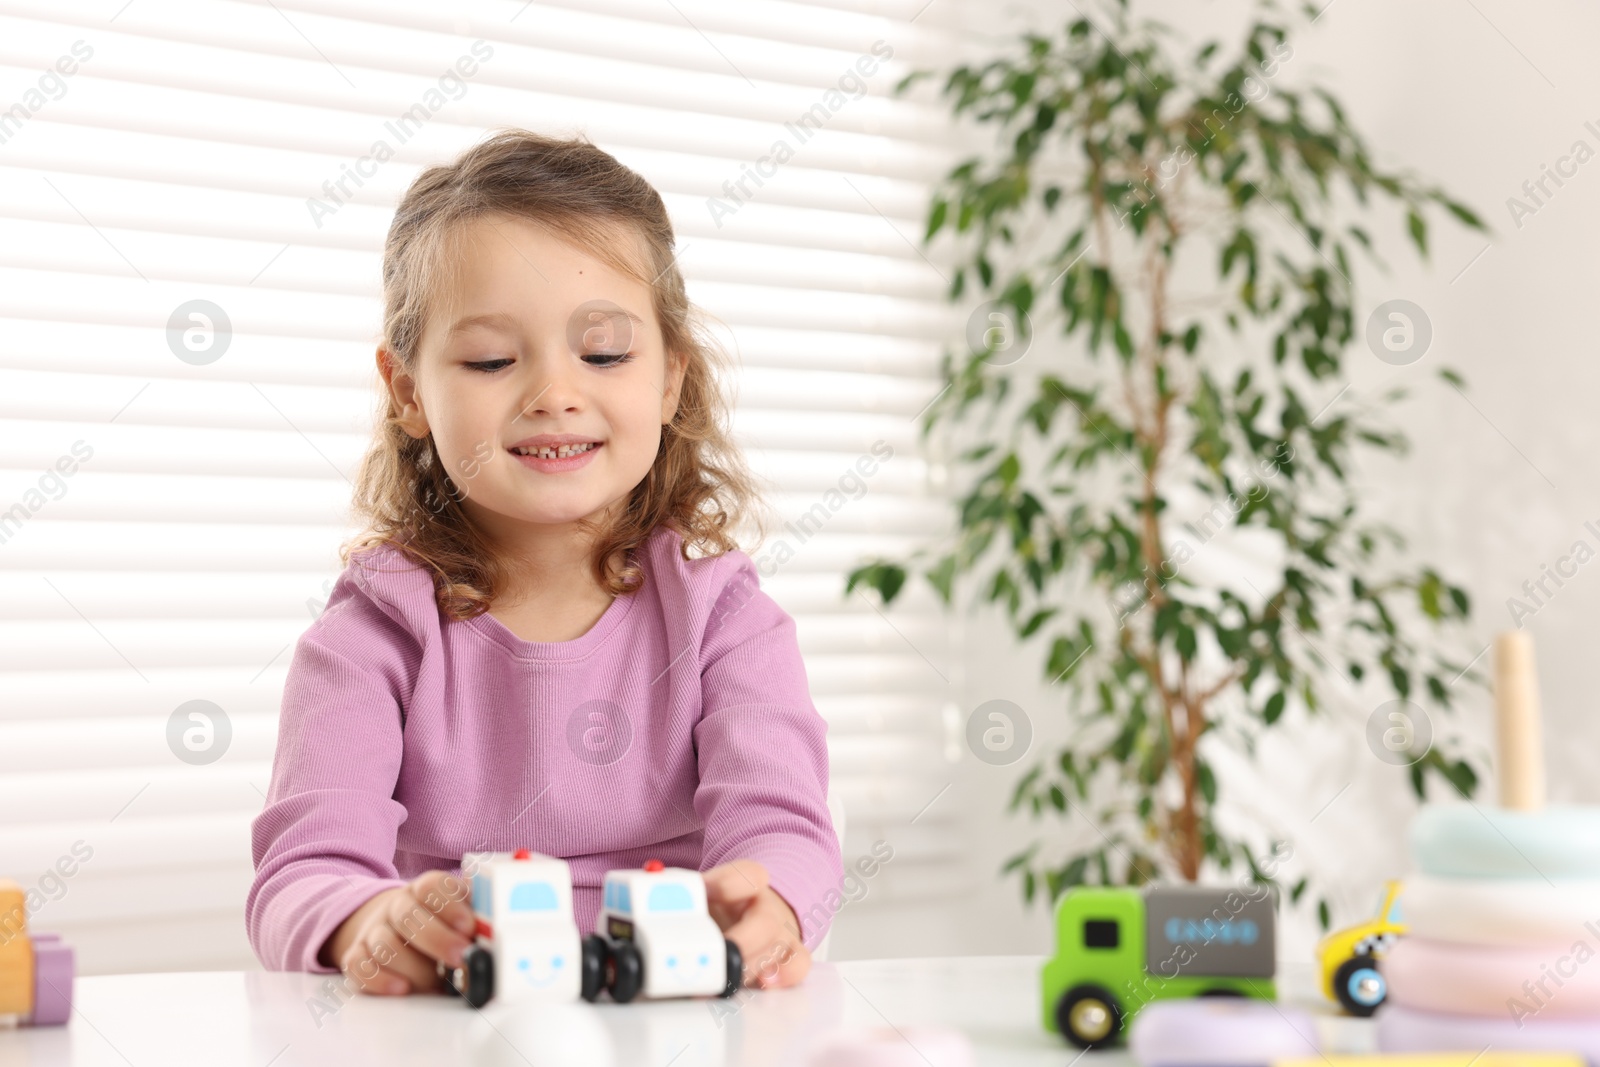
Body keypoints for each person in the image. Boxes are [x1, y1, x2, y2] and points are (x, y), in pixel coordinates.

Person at [246, 128, 840, 996]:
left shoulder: (724, 617)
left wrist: (770, 903)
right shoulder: (372, 633)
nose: (554, 393)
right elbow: (304, 868)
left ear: (670, 379)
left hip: (675, 1017)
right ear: (409, 391)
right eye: (491, 359)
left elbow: (783, 826)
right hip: (454, 1024)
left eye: (604, 353)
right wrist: (369, 922)